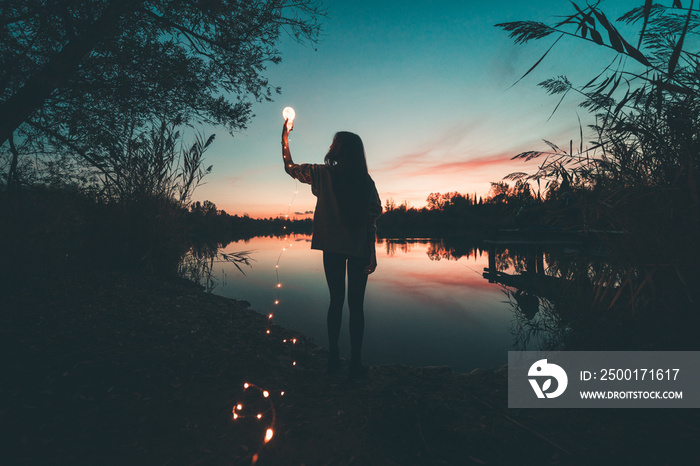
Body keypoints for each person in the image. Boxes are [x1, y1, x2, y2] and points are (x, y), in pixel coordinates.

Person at [281, 120, 382, 378]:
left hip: (332, 247)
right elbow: (373, 215)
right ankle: (355, 363)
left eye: (333, 143)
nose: (329, 146)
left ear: (339, 150)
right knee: (356, 305)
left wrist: (285, 139)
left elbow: (290, 168)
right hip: (359, 248)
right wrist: (372, 251)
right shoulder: (366, 181)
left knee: (335, 301)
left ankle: (334, 358)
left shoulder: (322, 174)